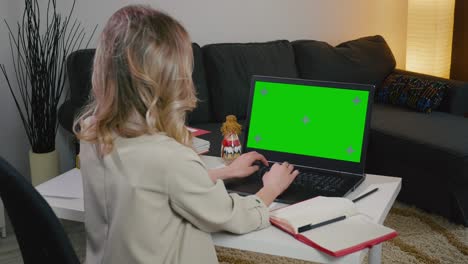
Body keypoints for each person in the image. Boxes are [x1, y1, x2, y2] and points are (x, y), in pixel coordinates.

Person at [74, 5, 299, 264]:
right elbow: (231, 216)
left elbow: (148, 187)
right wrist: (271, 189)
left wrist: (223, 172)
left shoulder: (93, 131)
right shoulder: (170, 157)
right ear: (173, 80)